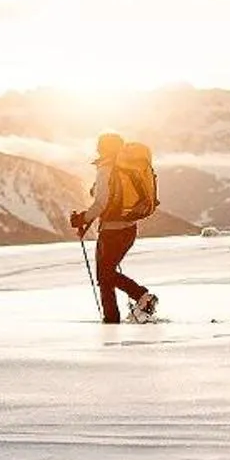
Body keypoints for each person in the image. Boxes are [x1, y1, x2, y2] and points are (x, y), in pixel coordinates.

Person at [70, 133, 158, 323]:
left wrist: (82, 218)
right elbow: (109, 202)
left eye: (99, 146)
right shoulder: (124, 168)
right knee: (106, 275)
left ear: (103, 148)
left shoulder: (107, 169)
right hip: (128, 228)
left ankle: (141, 297)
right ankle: (111, 320)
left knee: (105, 274)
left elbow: (101, 203)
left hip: (112, 231)